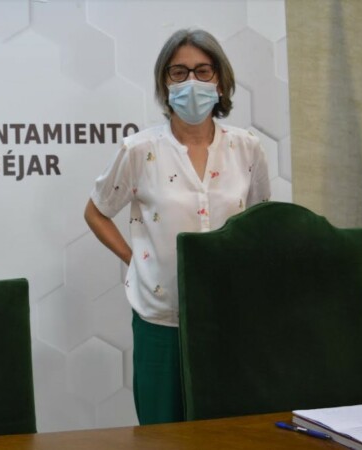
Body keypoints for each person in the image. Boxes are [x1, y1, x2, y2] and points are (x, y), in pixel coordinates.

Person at [84, 28, 271, 425]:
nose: (191, 81)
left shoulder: (247, 148)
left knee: (228, 431)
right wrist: (135, 260)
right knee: (162, 433)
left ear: (220, 80)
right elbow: (96, 212)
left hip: (229, 317)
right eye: (179, 72)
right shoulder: (139, 150)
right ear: (164, 82)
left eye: (203, 71)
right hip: (161, 318)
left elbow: (259, 224)